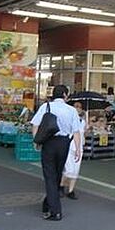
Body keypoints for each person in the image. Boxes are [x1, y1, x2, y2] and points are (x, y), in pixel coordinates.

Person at [31, 85, 82, 221]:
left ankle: (56, 211)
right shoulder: (71, 110)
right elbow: (76, 131)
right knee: (57, 174)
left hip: (49, 143)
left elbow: (35, 124)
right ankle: (47, 204)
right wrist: (78, 149)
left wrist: (36, 141)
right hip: (64, 144)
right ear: (65, 94)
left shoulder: (46, 106)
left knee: (49, 176)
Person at [60, 102, 87, 199]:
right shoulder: (68, 120)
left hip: (79, 148)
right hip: (70, 146)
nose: (78, 108)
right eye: (76, 106)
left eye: (80, 107)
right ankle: (61, 185)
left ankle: (71, 190)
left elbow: (83, 134)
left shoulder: (83, 121)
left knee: (75, 170)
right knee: (69, 170)